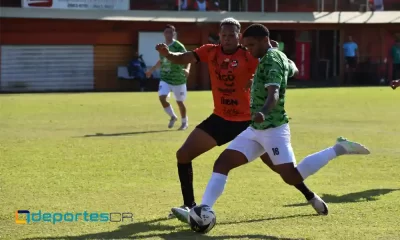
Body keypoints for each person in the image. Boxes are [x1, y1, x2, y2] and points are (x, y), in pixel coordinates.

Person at [171, 24, 371, 223]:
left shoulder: (271, 61)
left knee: (291, 176)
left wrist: (263, 112)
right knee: (223, 163)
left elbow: (274, 93)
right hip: (255, 129)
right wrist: (258, 81)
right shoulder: (273, 56)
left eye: (250, 45)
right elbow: (292, 68)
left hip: (273, 129)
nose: (247, 49)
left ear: (263, 41)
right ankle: (202, 212)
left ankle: (337, 148)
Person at [146, 24, 190, 130]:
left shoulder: (178, 46)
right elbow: (162, 60)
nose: (168, 34)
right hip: (165, 78)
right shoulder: (162, 46)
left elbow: (188, 58)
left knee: (179, 102)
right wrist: (151, 70)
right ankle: (173, 116)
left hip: (178, 78)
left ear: (174, 34)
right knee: (162, 98)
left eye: (170, 32)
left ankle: (184, 122)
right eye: (166, 32)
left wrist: (187, 69)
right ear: (163, 34)